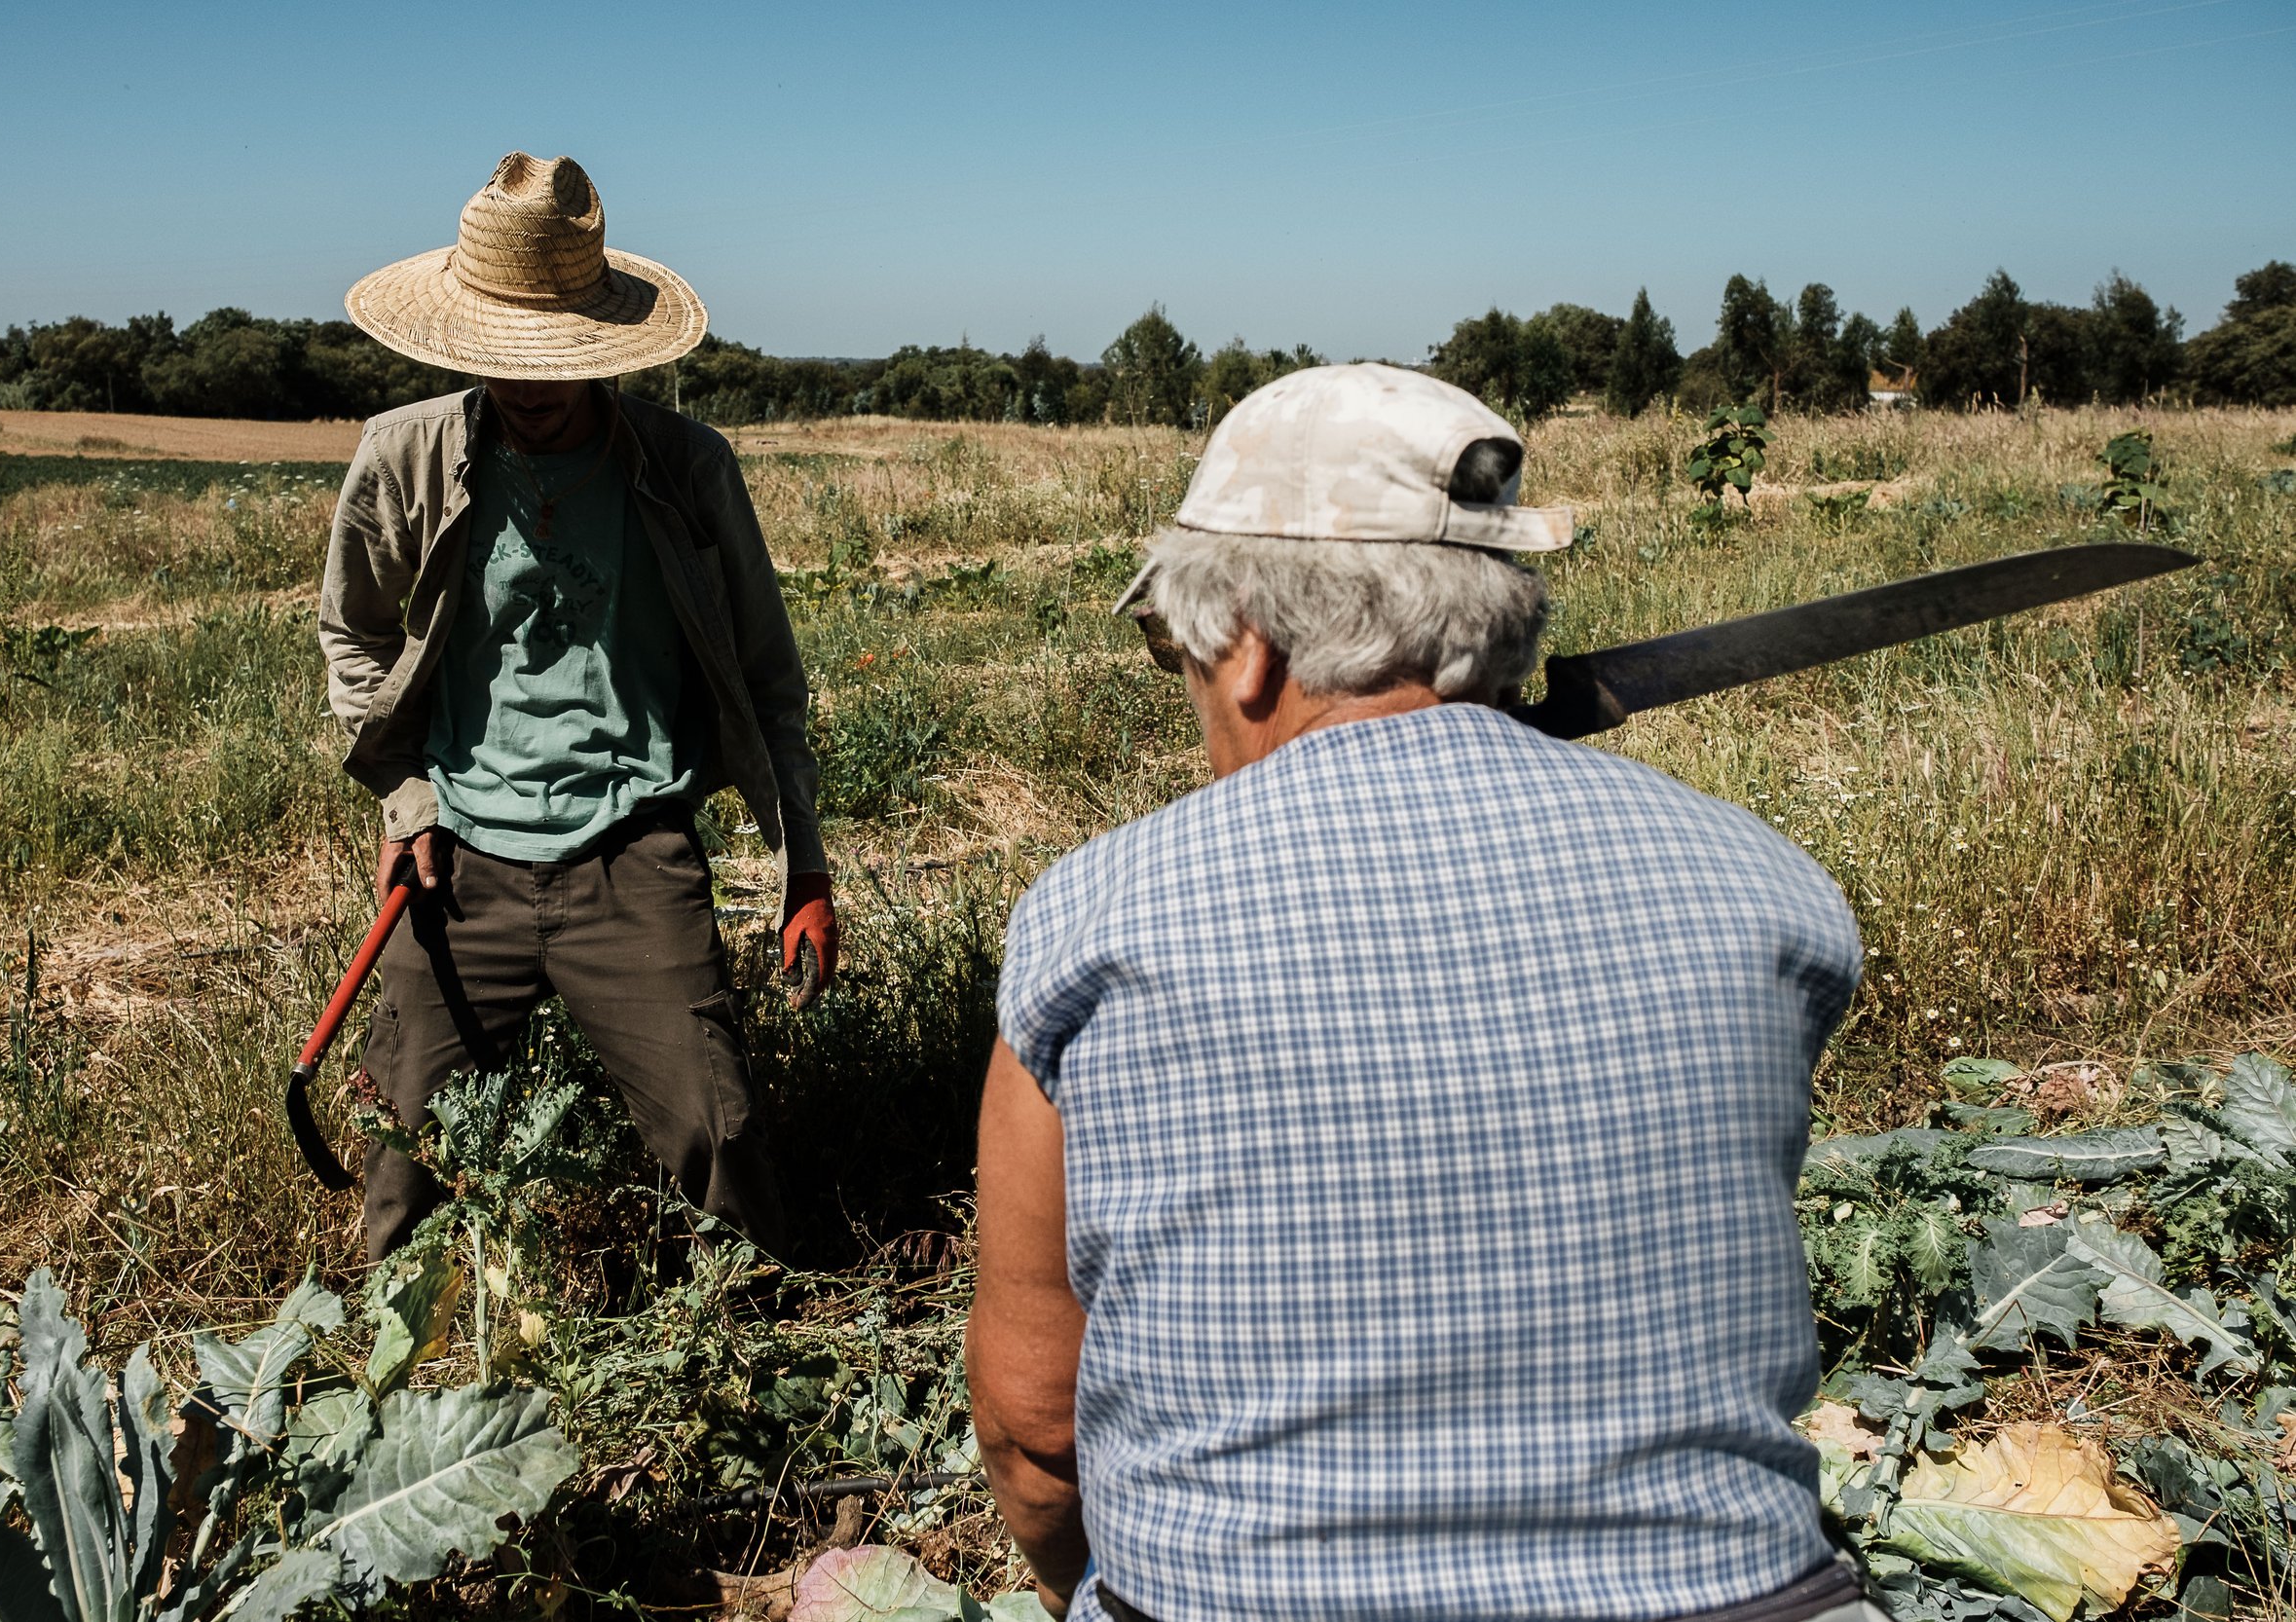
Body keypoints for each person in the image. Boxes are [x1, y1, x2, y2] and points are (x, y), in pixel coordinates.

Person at [965, 364, 1870, 1622]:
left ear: (1249, 647)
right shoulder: (1769, 881)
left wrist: (1093, 1599)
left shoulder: (1096, 913)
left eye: (1168, 642)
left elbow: (1035, 1426)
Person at [318, 152, 836, 1262]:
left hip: (632, 847)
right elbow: (351, 636)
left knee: (717, 1132)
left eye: (555, 359)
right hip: (460, 857)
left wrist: (805, 867)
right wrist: (409, 803)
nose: (532, 385)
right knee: (403, 1143)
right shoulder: (408, 455)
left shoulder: (686, 470)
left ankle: (752, 1351)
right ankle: (384, 1388)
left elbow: (767, 675)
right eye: (505, 360)